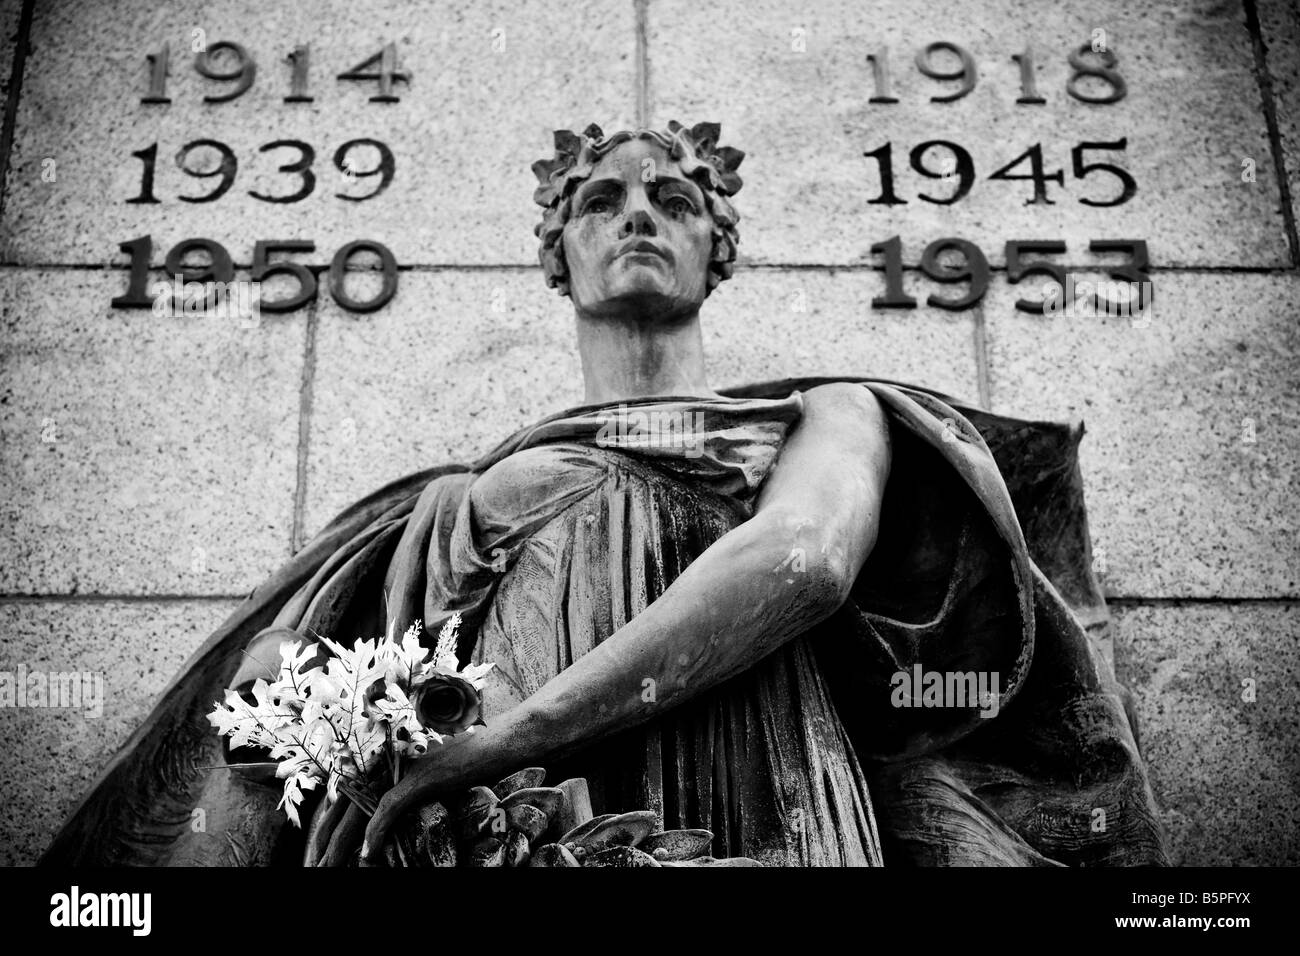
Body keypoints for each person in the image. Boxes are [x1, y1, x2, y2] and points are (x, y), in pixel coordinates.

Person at [42, 122, 1166, 867]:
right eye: (599, 199)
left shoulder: (825, 415)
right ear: (557, 254)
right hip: (510, 821)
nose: (637, 212)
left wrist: (515, 729)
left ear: (715, 247)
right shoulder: (455, 496)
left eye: (673, 197)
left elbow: (806, 561)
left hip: (758, 789)